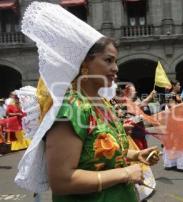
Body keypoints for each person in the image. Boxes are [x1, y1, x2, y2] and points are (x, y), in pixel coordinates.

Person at [15, 2, 159, 202]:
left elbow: (99, 155)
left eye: (115, 61)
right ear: (84, 64)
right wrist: (125, 174)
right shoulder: (71, 109)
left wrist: (135, 156)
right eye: (108, 60)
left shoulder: (103, 103)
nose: (116, 68)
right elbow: (62, 181)